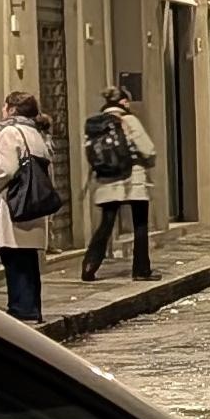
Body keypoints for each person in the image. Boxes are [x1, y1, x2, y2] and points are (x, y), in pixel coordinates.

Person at [0, 90, 57, 325]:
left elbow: (5, 169)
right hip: (33, 206)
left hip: (13, 204)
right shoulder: (35, 132)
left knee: (14, 258)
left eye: (5, 106)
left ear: (12, 109)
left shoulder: (10, 133)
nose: (2, 110)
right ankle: (32, 308)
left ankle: (21, 309)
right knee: (28, 260)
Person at [80, 74, 156, 280]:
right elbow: (147, 149)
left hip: (107, 180)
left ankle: (89, 266)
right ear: (123, 102)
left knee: (106, 224)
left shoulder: (95, 124)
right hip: (133, 179)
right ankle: (141, 270)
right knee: (140, 224)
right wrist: (148, 161)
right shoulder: (129, 120)